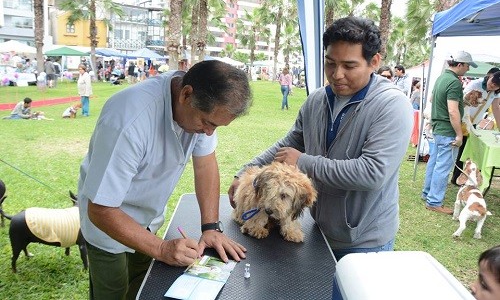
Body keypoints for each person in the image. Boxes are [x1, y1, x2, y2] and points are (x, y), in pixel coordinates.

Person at [228, 16, 413, 299]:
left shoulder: (392, 105)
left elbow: (373, 172)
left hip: (364, 240)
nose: (337, 74)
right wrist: (245, 171)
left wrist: (303, 162)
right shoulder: (317, 99)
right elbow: (289, 143)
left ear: (374, 61)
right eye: (330, 63)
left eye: (349, 65)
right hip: (319, 227)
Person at [78, 60, 251, 299]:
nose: (210, 132)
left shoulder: (200, 109)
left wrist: (210, 227)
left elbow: (206, 165)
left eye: (216, 127)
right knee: (113, 292)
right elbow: (101, 209)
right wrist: (160, 248)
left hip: (148, 219)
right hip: (108, 224)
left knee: (141, 287)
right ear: (186, 95)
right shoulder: (129, 119)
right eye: (208, 123)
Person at [421, 50, 476, 214]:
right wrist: (459, 134)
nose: (468, 69)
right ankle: (434, 201)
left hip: (439, 128)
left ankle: (427, 194)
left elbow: (432, 99)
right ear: (459, 64)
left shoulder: (442, 78)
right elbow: (453, 111)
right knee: (442, 167)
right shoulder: (453, 82)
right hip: (447, 130)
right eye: (467, 66)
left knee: (434, 162)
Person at [450, 68, 500, 185]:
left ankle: (459, 178)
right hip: (462, 120)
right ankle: (456, 177)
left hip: (473, 123)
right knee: (456, 148)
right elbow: (461, 101)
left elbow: (496, 108)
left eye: (496, 85)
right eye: (493, 81)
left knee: (465, 151)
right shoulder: (475, 84)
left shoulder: (495, 93)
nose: (492, 85)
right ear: (490, 76)